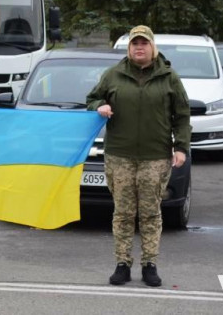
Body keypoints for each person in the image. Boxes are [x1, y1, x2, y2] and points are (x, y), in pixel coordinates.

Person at [86, 25, 190, 287]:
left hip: (155, 158)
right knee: (122, 213)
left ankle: (149, 264)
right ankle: (122, 264)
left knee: (150, 213)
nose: (139, 47)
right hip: (119, 156)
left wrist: (181, 148)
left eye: (144, 43)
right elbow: (91, 99)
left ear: (153, 47)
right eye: (135, 44)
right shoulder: (114, 75)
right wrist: (101, 106)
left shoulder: (169, 78)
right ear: (129, 48)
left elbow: (182, 116)